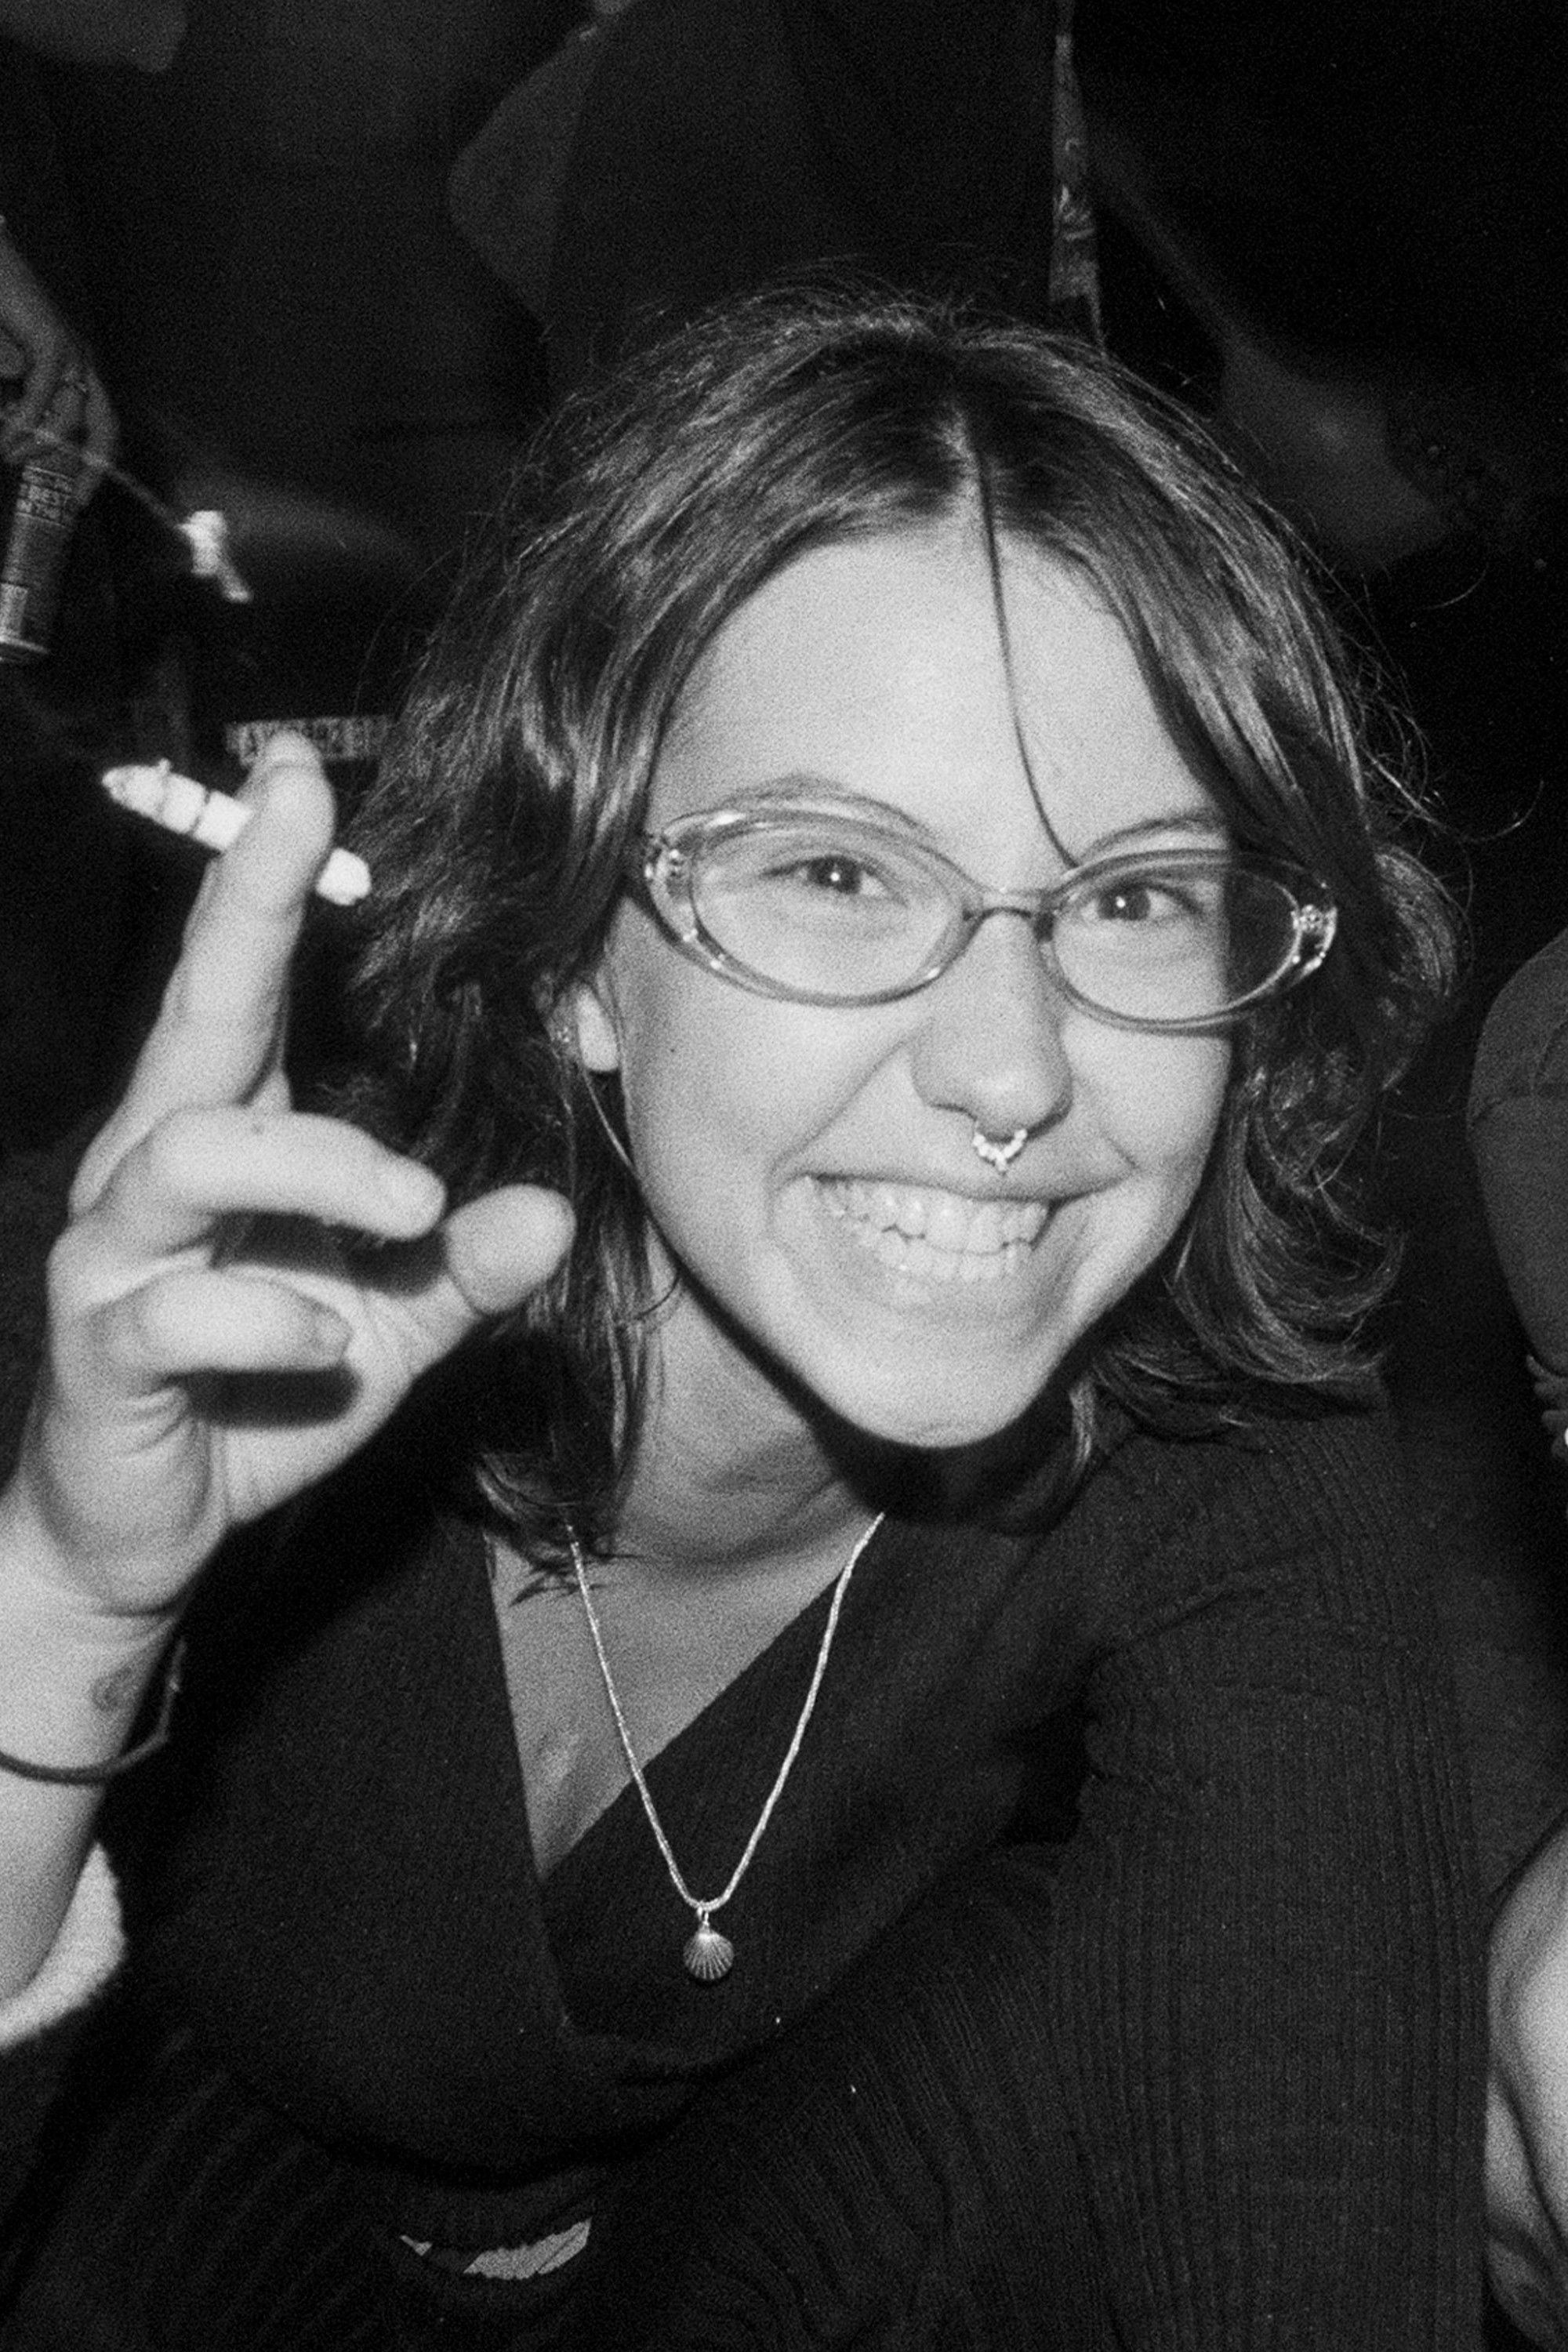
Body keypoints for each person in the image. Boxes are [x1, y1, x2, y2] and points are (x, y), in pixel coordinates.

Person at [0, 289, 1480, 2347]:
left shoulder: (1223, 1425)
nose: (1013, 1069)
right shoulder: (162, 1330)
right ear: (572, 951)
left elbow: (1310, 2168)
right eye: (837, 875)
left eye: (1136, 897)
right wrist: (66, 1597)